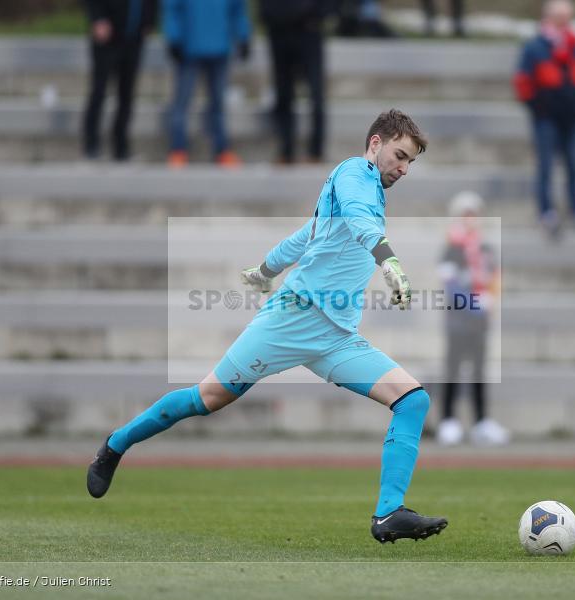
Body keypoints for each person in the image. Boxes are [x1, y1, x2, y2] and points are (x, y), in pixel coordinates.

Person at [88, 109, 449, 544]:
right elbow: (358, 218)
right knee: (206, 399)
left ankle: (388, 513)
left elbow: (308, 235)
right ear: (375, 143)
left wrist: (265, 269)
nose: (404, 168)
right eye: (400, 155)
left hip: (336, 337)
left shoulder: (366, 189)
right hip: (292, 319)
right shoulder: (355, 174)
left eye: (410, 161)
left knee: (412, 401)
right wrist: (387, 260)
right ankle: (116, 444)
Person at [514, 0, 575, 237]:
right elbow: (523, 82)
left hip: (573, 117)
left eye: (567, 17)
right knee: (545, 166)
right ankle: (546, 211)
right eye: (559, 17)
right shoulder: (535, 47)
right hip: (546, 117)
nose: (564, 22)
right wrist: (539, 106)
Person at [436, 191, 508, 447]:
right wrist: (471, 303)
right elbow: (451, 284)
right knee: (453, 369)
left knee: (479, 370)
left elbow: (494, 278)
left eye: (473, 214)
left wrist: (490, 300)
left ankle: (481, 421)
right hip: (458, 320)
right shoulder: (451, 248)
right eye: (465, 214)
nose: (470, 219)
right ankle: (448, 420)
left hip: (480, 322)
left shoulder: (485, 248)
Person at [164, 0, 251, 168]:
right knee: (182, 102)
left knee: (218, 103)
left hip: (220, 47)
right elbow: (173, 7)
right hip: (190, 47)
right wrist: (174, 37)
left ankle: (221, 150)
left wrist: (243, 35)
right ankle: (178, 149)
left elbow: (238, 9)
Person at [81, 0, 158, 162]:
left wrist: (149, 20)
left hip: (134, 37)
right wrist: (98, 19)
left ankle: (121, 148)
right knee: (99, 91)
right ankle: (91, 146)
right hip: (108, 35)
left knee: (126, 94)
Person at [259, 0, 334, 165]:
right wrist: (271, 17)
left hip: (309, 31)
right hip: (279, 33)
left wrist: (318, 16)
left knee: (316, 94)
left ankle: (316, 152)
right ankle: (286, 151)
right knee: (283, 94)